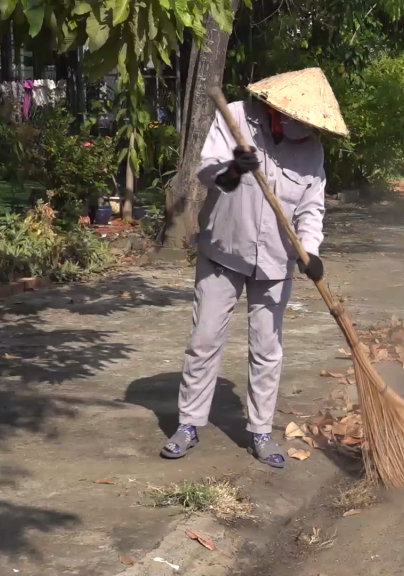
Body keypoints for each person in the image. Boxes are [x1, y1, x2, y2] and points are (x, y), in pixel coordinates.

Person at [161, 68, 348, 467]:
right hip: (224, 251)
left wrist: (311, 252)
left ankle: (261, 431)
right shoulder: (235, 117)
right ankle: (189, 424)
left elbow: (312, 208)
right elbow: (207, 172)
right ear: (279, 108)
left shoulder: (311, 150)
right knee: (205, 339)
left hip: (278, 260)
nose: (303, 129)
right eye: (299, 121)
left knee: (267, 349)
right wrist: (234, 170)